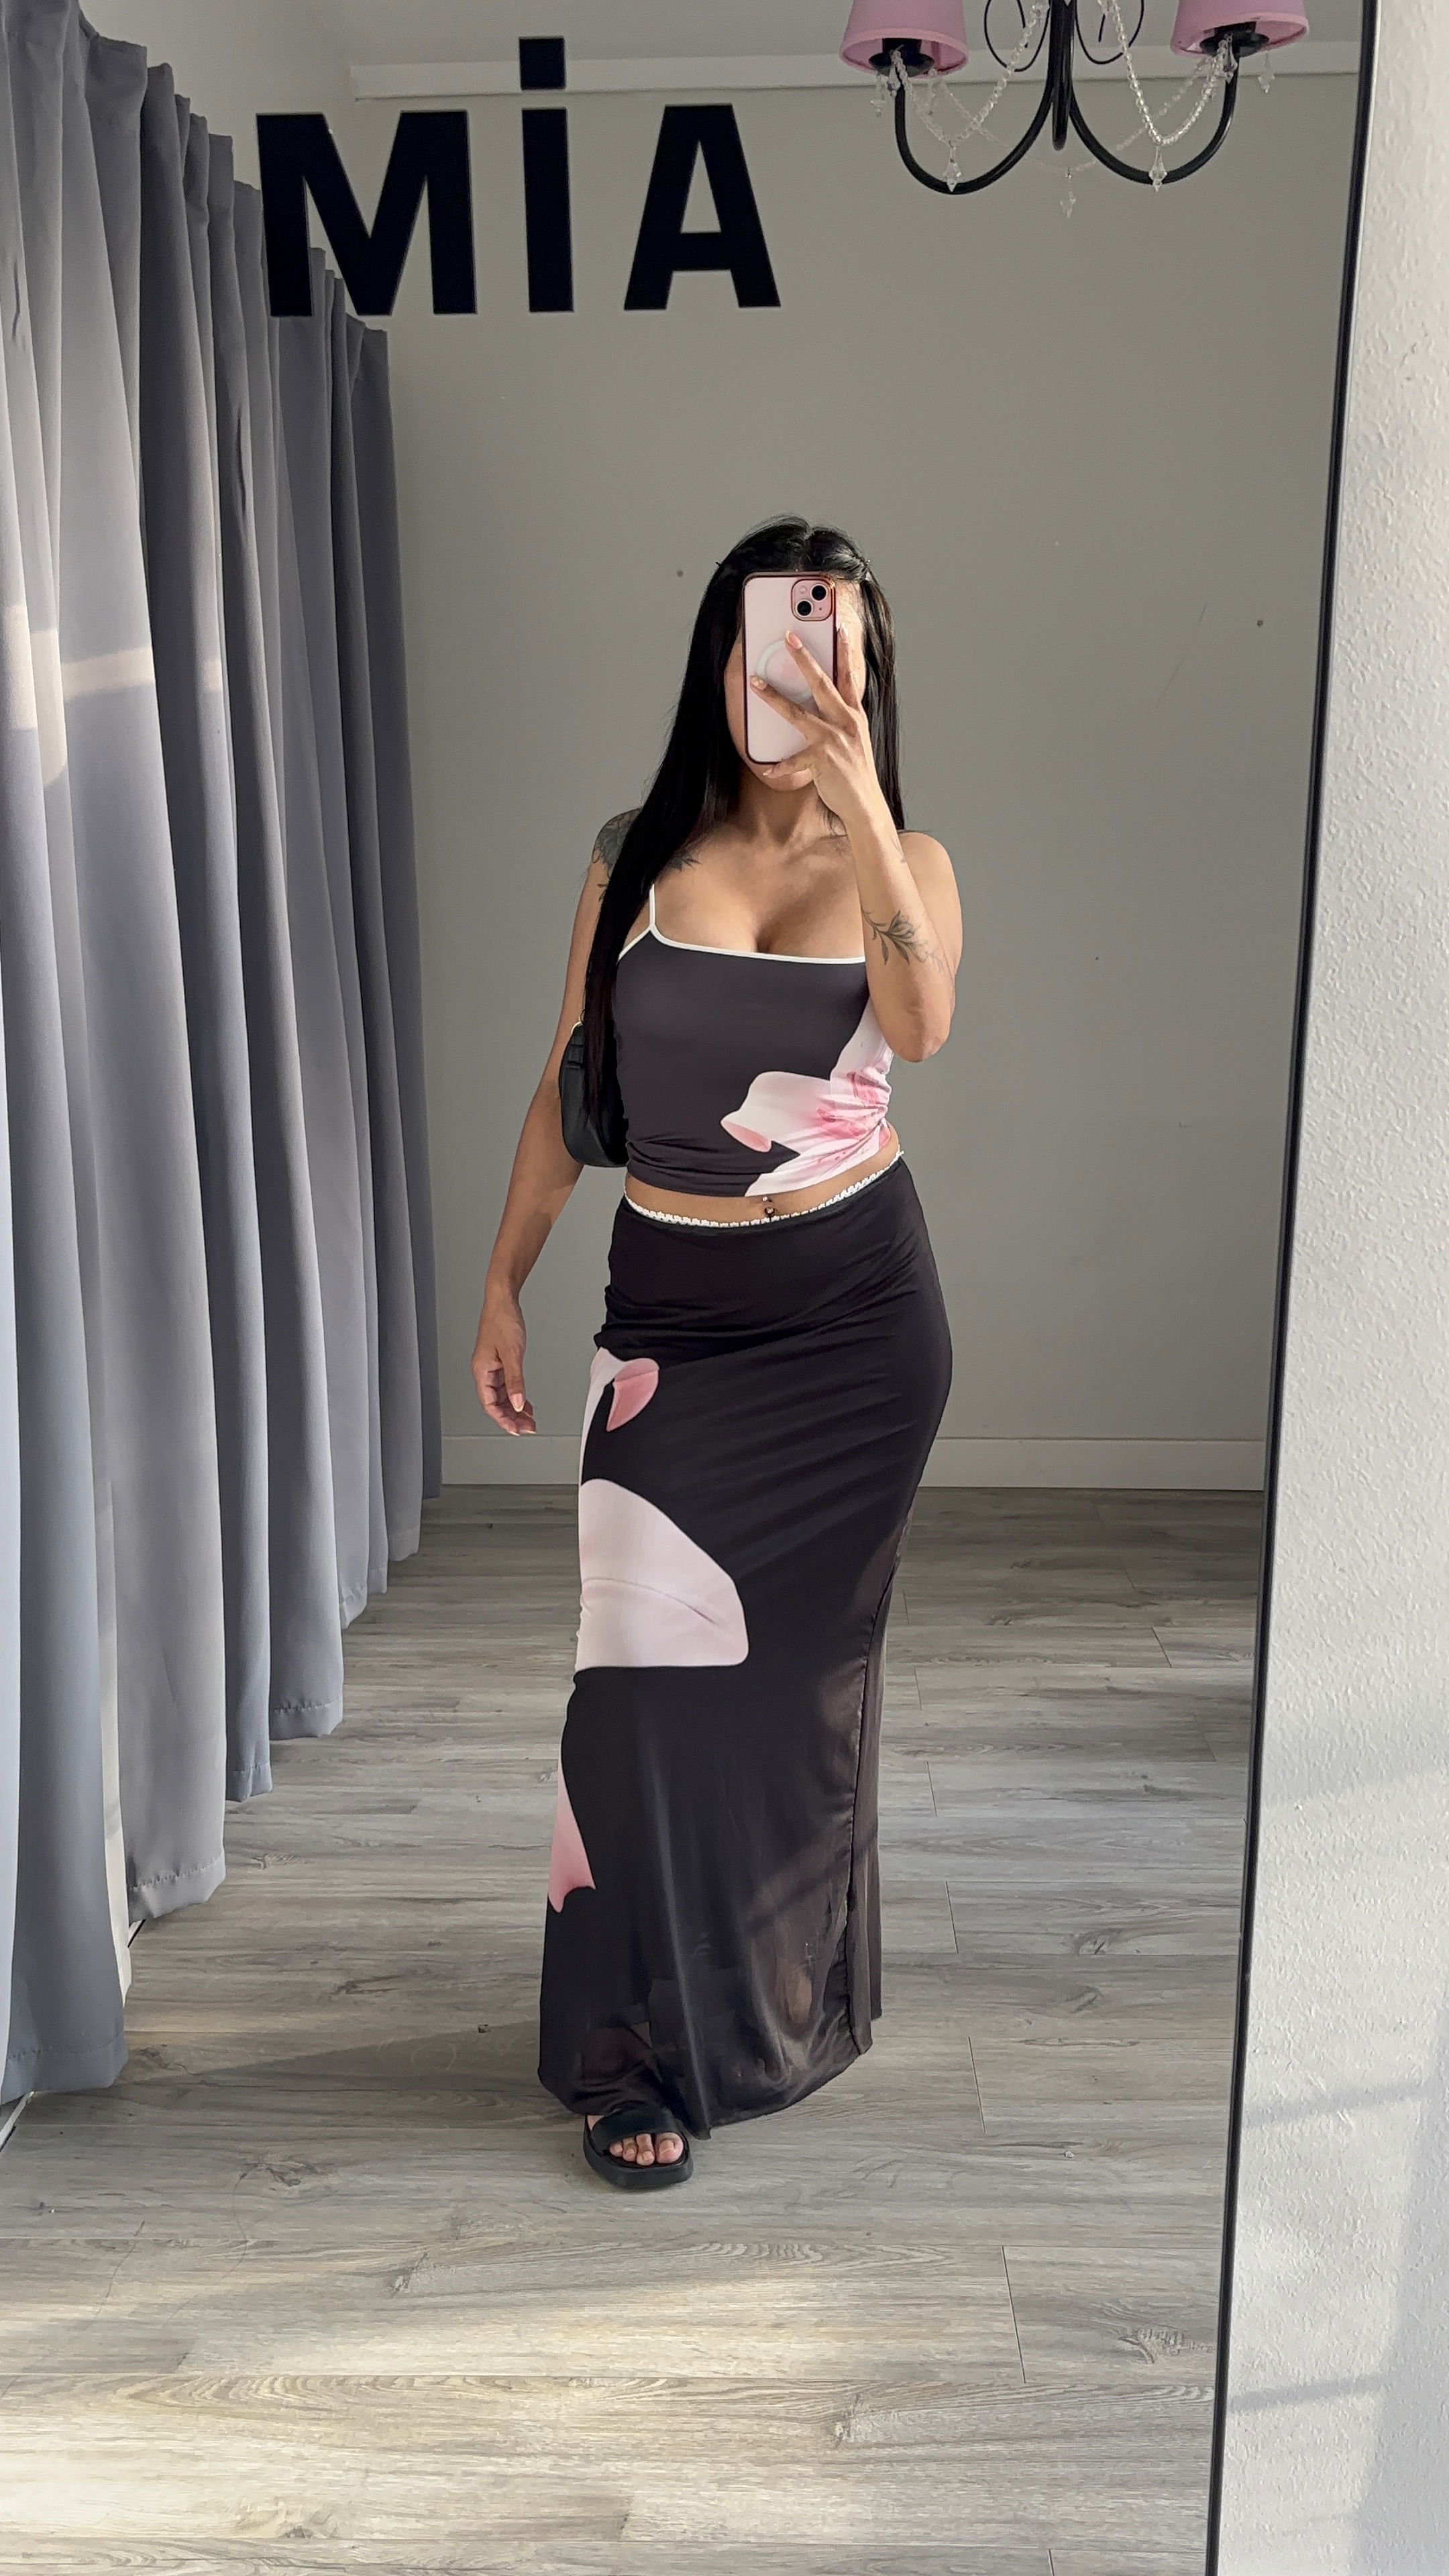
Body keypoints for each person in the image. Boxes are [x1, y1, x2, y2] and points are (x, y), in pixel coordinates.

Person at [472, 518, 959, 2190]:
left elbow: (921, 1028)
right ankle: (630, 2047)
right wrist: (505, 1280)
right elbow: (568, 1087)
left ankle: (768, 2009)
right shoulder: (635, 859)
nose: (802, 676)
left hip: (856, 1331)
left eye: (838, 651)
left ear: (871, 674)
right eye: (776, 643)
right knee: (636, 1684)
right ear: (721, 656)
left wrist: (863, 802)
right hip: (676, 1326)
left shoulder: (912, 863)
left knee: (798, 1693)